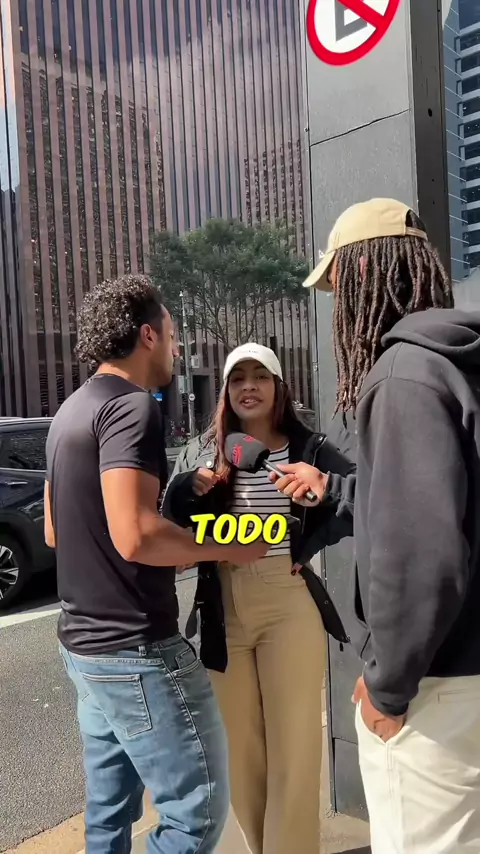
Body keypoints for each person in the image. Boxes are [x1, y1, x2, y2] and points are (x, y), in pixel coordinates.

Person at [272, 199, 480, 854]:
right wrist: (335, 488)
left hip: (438, 691)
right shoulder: (459, 366)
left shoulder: (402, 375)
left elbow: (422, 554)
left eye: (337, 287)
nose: (338, 308)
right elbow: (446, 500)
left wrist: (388, 687)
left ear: (362, 274)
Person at [44, 275, 270, 854]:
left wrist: (174, 495)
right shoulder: (132, 407)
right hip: (136, 650)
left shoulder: (69, 412)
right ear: (148, 335)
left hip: (84, 650)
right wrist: (231, 547)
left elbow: (55, 530)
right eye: (171, 334)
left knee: (108, 816)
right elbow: (137, 536)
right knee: (196, 815)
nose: (177, 346)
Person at [162, 343, 354, 854]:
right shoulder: (205, 449)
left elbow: (355, 496)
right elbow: (168, 517)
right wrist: (185, 490)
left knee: (294, 747)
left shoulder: (308, 447)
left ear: (278, 387)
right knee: (239, 752)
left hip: (287, 601)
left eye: (260, 376)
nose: (249, 386)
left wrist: (310, 536)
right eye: (238, 377)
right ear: (225, 390)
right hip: (221, 604)